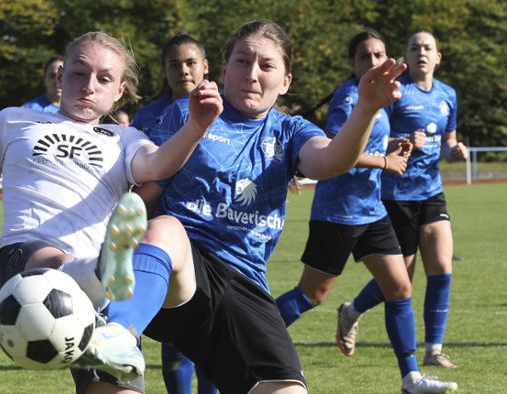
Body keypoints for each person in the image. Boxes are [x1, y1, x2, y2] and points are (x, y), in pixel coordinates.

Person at [68, 19, 406, 394]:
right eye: (242, 62)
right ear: (224, 68)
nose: (252, 74)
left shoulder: (290, 131)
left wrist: (366, 109)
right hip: (180, 270)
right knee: (166, 229)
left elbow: (330, 160)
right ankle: (117, 334)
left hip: (243, 283)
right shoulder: (189, 112)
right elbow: (150, 183)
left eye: (267, 65)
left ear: (286, 81)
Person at [0, 31, 223, 390]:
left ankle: (112, 309)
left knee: (117, 385)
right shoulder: (14, 121)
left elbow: (157, 166)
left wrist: (196, 126)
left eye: (104, 78)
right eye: (79, 73)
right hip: (24, 263)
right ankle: (99, 271)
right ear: (61, 76)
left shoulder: (125, 139)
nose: (89, 85)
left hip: (100, 295)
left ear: (119, 91)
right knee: (60, 263)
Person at [273, 30, 457, 393]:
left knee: (399, 287)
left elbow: (366, 140)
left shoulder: (377, 95)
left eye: (378, 55)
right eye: (364, 56)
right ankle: (241, 335)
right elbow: (338, 153)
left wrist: (391, 144)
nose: (372, 62)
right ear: (352, 62)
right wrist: (385, 162)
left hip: (371, 211)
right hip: (338, 212)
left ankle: (411, 379)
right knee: (312, 294)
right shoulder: (347, 97)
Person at [338, 31, 468, 371]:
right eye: (414, 47)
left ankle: (434, 350)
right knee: (401, 280)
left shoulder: (448, 95)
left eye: (428, 48)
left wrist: (454, 150)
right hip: (395, 193)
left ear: (438, 57)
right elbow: (372, 130)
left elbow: (448, 140)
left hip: (431, 191)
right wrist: (402, 139)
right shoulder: (396, 91)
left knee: (441, 267)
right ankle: (352, 311)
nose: (421, 53)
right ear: (405, 56)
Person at [132, 32, 216, 394]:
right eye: (174, 64)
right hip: (164, 232)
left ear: (205, 66)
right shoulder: (148, 116)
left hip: (215, 233)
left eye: (190, 62)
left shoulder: (229, 109)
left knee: (214, 332)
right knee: (178, 331)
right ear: (164, 70)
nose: (183, 70)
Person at [0, 55, 64, 145]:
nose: (57, 81)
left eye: (61, 76)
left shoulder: (78, 111)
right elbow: (7, 133)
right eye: (52, 76)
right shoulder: (30, 109)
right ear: (44, 80)